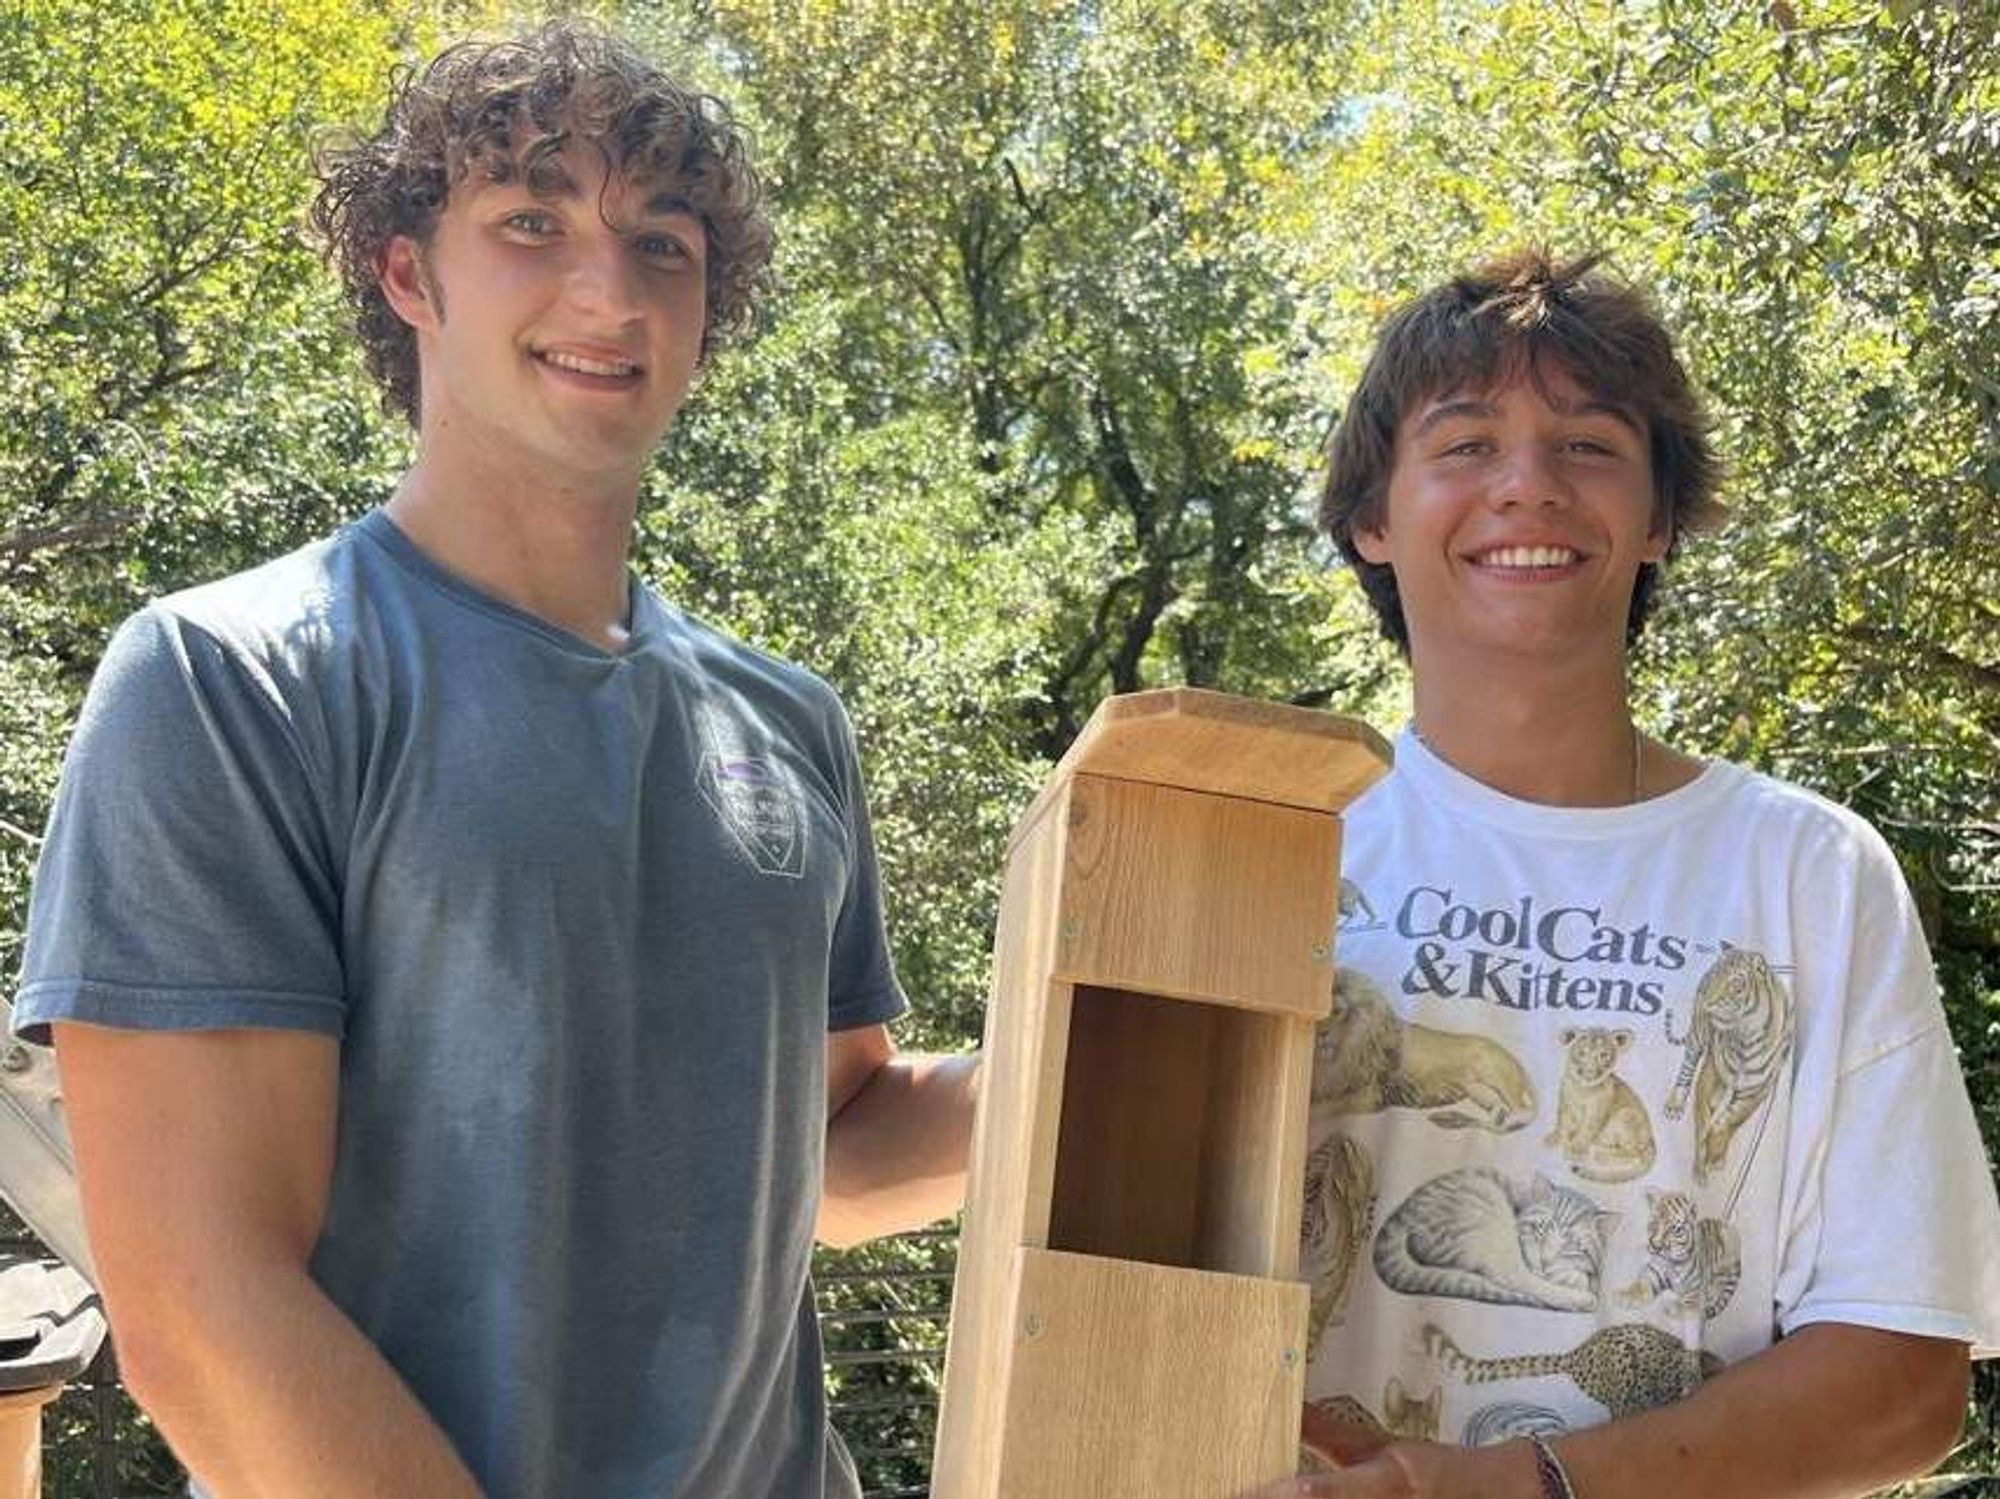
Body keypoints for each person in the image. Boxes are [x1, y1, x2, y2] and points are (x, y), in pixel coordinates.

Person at [11, 21, 975, 1499]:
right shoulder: (232, 678)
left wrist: (1140, 1048)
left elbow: (832, 1152)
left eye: (663, 241)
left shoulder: (789, 721)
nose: (609, 287)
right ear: (411, 276)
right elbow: (206, 1311)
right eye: (533, 221)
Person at [1248, 249, 2000, 1499]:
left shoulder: (1805, 870)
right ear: (1370, 517)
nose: (1528, 488)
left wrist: (1517, 1486)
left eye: (1588, 444)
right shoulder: (1265, 843)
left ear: (1655, 518)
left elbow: (1904, 1374)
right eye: (1466, 443)